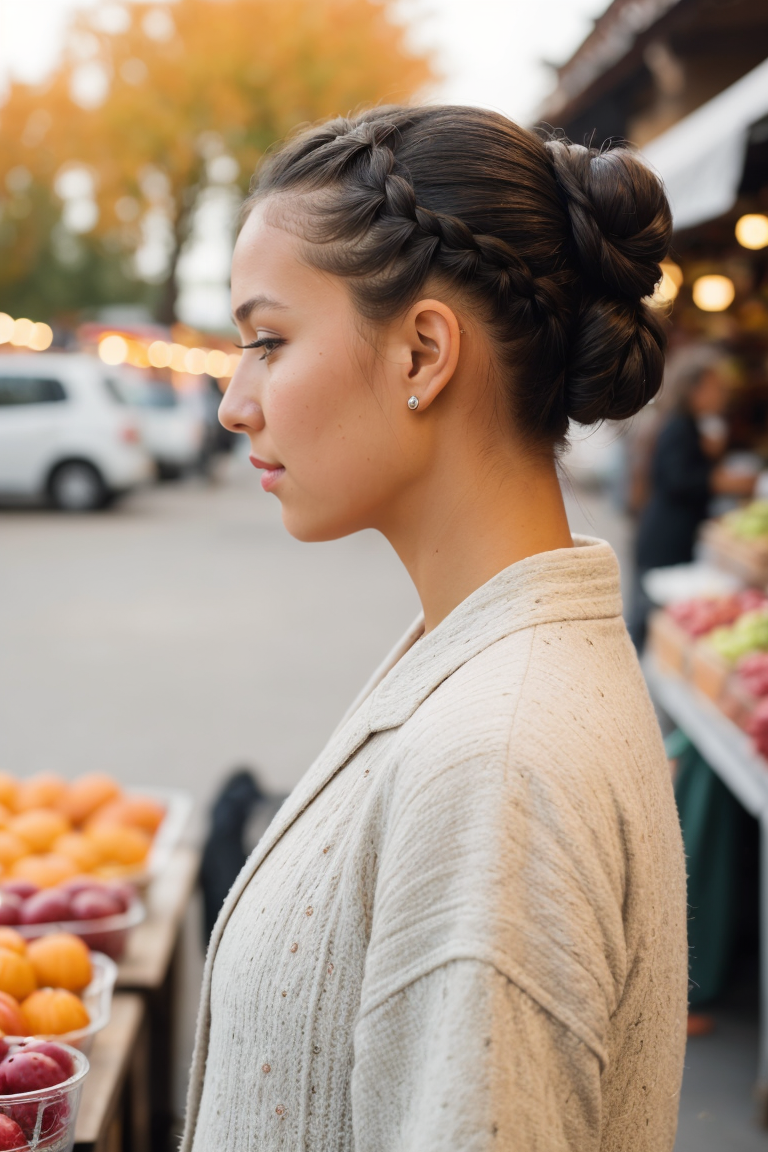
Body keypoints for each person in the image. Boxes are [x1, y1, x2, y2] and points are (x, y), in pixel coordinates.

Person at [181, 107, 687, 1151]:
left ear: (422, 350)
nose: (235, 402)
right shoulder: (488, 659)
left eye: (268, 341)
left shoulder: (496, 761)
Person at [629, 345, 756, 649]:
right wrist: (723, 482)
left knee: (658, 621)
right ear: (693, 388)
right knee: (646, 622)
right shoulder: (678, 427)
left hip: (673, 533)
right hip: (664, 537)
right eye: (715, 386)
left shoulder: (691, 427)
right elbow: (679, 480)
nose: (722, 394)